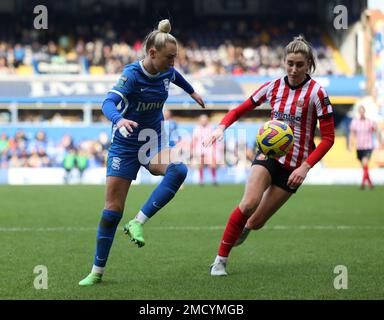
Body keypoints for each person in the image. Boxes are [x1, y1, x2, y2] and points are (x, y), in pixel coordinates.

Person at [79, 19, 205, 286]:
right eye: (170, 57)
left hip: (153, 140)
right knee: (112, 211)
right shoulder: (131, 74)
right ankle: (97, 271)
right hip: (125, 144)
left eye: (175, 57)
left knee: (178, 169)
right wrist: (119, 120)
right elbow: (108, 102)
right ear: (152, 53)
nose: (173, 62)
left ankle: (137, 222)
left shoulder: (167, 70)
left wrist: (192, 92)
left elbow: (176, 76)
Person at [204, 36, 335, 276]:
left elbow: (328, 139)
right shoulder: (273, 86)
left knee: (255, 223)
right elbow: (239, 109)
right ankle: (220, 261)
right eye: (290, 63)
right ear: (284, 62)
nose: (294, 69)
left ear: (309, 65)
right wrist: (221, 127)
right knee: (248, 204)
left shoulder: (317, 93)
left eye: (300, 64)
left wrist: (305, 167)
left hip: (294, 168)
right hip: (268, 155)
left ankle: (239, 230)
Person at [348, 105, 380, 189]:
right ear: (359, 112)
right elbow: (351, 133)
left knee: (365, 163)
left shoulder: (369, 122)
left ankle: (362, 184)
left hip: (368, 146)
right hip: (359, 147)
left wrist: (379, 142)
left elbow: (376, 130)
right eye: (360, 111)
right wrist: (350, 144)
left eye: (363, 111)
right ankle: (370, 184)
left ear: (364, 112)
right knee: (364, 166)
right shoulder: (355, 122)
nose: (361, 113)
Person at [192, 114, 218, 185]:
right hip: (199, 148)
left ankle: (214, 179)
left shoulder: (211, 127)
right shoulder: (197, 128)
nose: (204, 121)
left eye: (205, 120)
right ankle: (201, 180)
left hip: (209, 148)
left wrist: (215, 148)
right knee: (200, 164)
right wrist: (193, 149)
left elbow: (214, 138)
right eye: (202, 120)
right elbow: (195, 139)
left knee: (212, 164)